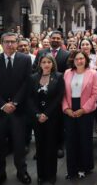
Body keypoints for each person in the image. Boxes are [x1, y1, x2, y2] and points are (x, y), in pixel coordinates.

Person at [0, 32, 33, 185]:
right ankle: (0, 174)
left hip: (18, 111)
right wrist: (2, 104)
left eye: (13, 42)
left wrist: (15, 103)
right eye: (7, 42)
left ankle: (22, 172)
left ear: (17, 43)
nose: (10, 44)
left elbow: (27, 83)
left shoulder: (25, 60)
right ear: (1, 43)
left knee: (19, 145)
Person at [27, 53, 64, 185]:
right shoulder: (33, 78)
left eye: (49, 62)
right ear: (40, 64)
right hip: (37, 118)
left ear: (52, 63)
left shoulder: (59, 77)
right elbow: (29, 98)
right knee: (40, 146)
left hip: (52, 117)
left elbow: (59, 97)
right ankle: (41, 175)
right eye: (44, 62)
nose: (46, 64)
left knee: (51, 147)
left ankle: (51, 175)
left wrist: (46, 114)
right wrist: (37, 114)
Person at [62, 51, 97, 179]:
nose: (79, 61)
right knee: (71, 141)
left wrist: (83, 109)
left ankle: (84, 167)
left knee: (84, 140)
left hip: (86, 110)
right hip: (70, 109)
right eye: (77, 59)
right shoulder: (67, 73)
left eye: (82, 58)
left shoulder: (93, 73)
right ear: (73, 60)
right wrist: (66, 109)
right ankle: (71, 169)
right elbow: (63, 94)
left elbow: (95, 94)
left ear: (86, 59)